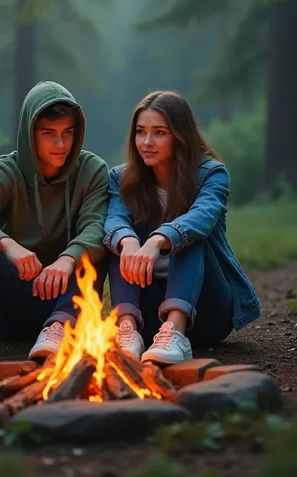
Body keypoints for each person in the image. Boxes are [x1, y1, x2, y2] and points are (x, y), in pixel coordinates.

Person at [0, 81, 109, 375]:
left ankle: (57, 330)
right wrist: (7, 244)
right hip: (14, 300)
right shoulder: (9, 171)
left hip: (68, 302)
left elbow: (95, 227)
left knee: (94, 251)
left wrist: (67, 260)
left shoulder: (91, 171)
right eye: (49, 134)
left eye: (67, 133)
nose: (61, 144)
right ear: (29, 134)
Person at [104, 90, 260, 365]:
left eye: (159, 133)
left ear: (180, 135)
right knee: (120, 240)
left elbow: (203, 215)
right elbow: (114, 219)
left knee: (190, 235)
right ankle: (126, 331)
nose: (147, 142)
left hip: (206, 309)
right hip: (150, 316)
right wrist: (128, 241)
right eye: (141, 132)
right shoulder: (121, 178)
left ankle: (176, 329)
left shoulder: (211, 173)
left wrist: (158, 240)